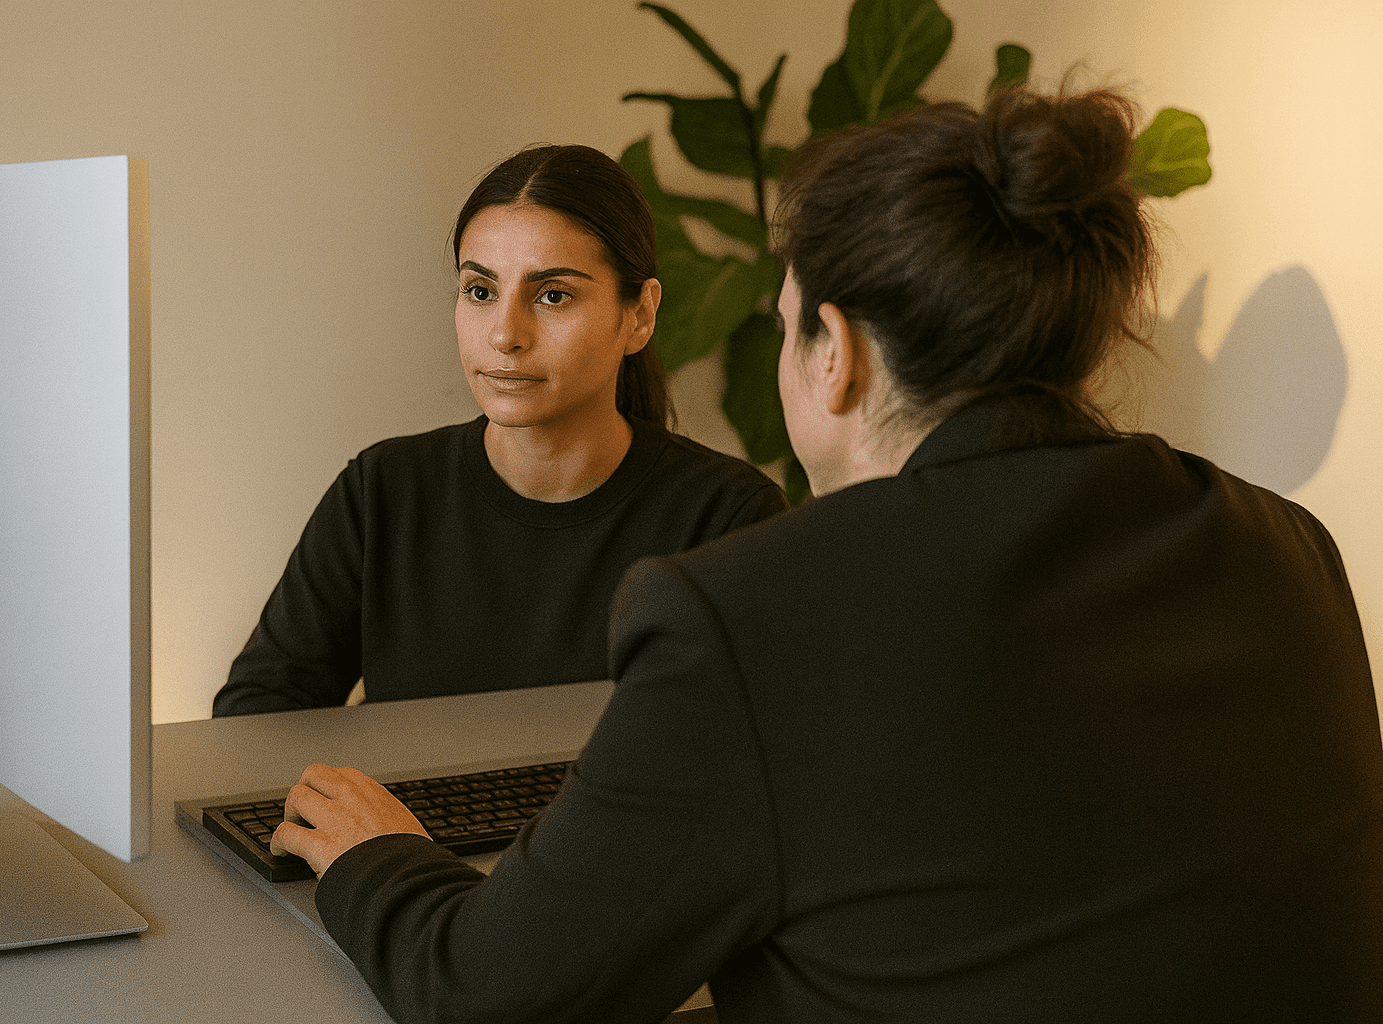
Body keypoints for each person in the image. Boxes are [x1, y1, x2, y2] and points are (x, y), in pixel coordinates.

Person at [274, 87, 1383, 1022]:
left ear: (835, 354)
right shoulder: (1289, 546)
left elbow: (486, 993)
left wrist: (377, 856)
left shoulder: (749, 604)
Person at [213, 145, 787, 715]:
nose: (505, 335)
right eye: (480, 291)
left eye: (553, 295)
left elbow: (758, 768)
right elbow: (253, 720)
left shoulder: (729, 519)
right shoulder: (383, 493)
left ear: (639, 315)